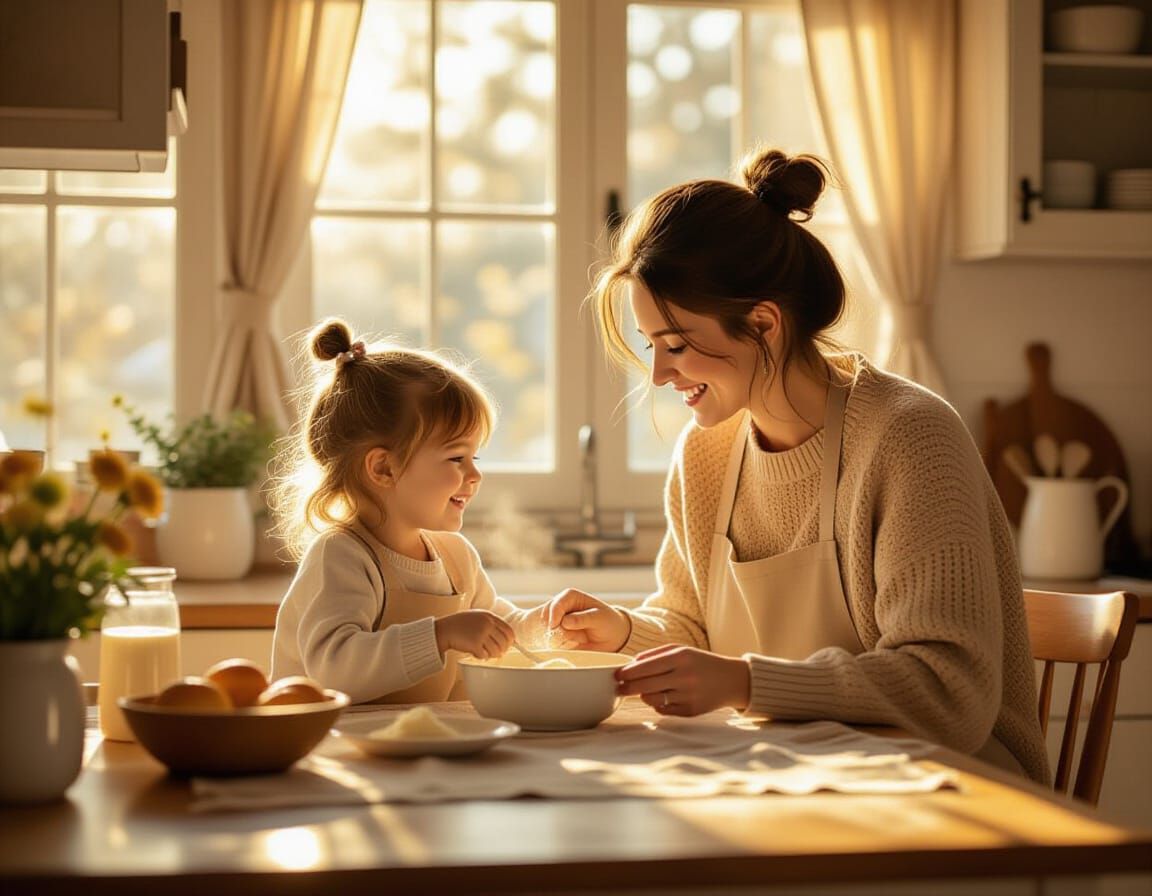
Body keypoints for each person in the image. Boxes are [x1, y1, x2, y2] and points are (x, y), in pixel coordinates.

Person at [545, 148, 1049, 784]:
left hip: (956, 794)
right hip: (799, 774)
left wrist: (746, 681)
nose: (659, 374)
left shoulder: (910, 437)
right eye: (652, 347)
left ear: (762, 324)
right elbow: (692, 626)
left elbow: (948, 690)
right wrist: (622, 633)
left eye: (676, 346)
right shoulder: (706, 454)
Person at [270, 318, 543, 704]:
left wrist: (544, 625)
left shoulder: (455, 556)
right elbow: (335, 668)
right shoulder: (343, 556)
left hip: (418, 745)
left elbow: (496, 626)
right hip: (338, 753)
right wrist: (441, 635)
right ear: (384, 468)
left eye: (474, 456)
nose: (475, 474)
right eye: (456, 457)